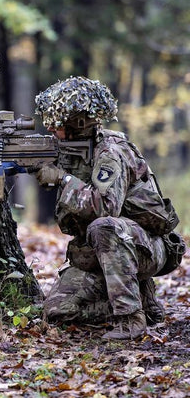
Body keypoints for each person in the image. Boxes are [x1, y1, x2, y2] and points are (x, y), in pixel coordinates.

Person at [33, 76, 186, 340]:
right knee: (57, 311)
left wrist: (63, 179)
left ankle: (130, 317)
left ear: (77, 123)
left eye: (56, 123)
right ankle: (139, 298)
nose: (50, 129)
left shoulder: (110, 152)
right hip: (107, 255)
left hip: (146, 247)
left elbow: (105, 208)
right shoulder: (74, 150)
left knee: (105, 226)